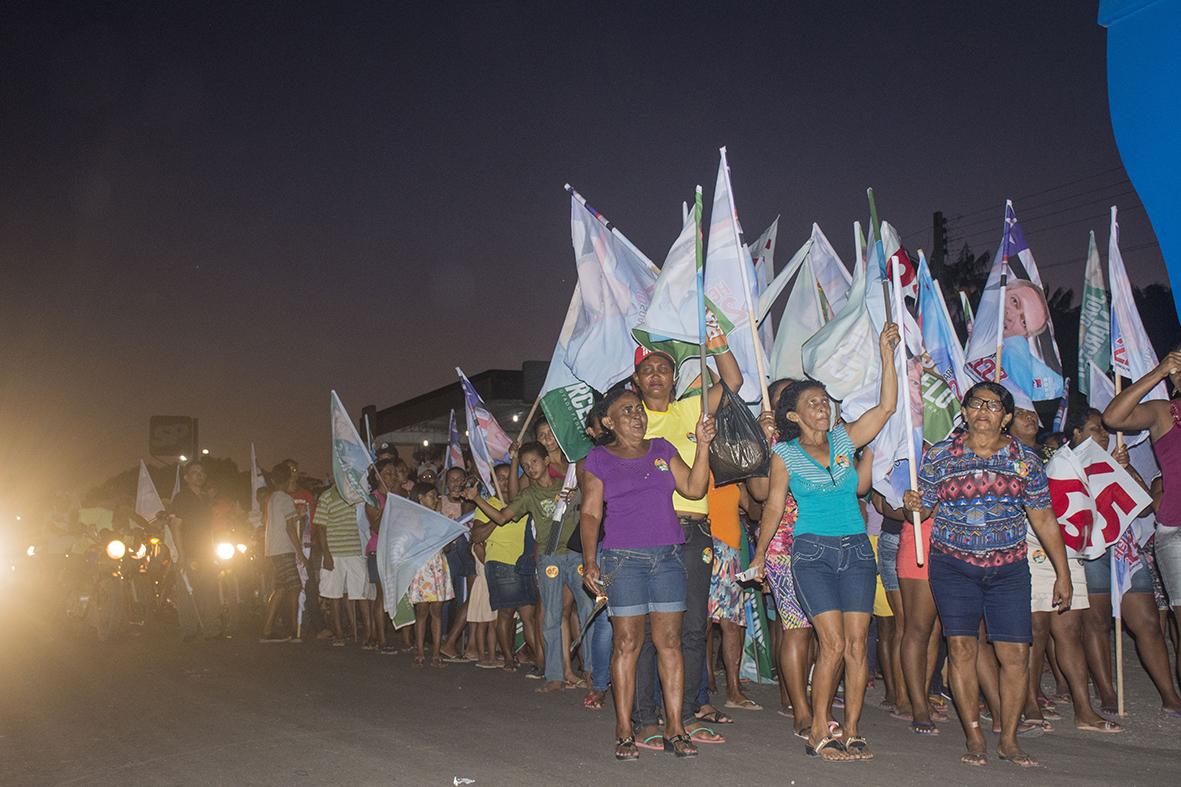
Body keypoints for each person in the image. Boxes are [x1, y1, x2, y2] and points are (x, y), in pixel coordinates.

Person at [750, 323, 899, 763]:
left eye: (825, 402)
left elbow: (887, 407)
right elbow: (773, 510)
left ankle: (851, 729)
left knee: (857, 645)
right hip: (810, 552)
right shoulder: (785, 455)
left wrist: (885, 354)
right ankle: (818, 728)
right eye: (813, 403)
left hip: (855, 550)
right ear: (793, 415)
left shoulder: (843, 440)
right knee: (831, 643)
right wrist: (759, 555)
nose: (823, 408)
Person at [904, 381, 1071, 768]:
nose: (983, 410)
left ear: (1007, 418)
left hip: (1008, 568)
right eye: (976, 404)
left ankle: (1008, 738)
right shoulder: (940, 457)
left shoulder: (1025, 460)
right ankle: (974, 735)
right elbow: (923, 509)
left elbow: (1044, 519)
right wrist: (910, 503)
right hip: (953, 565)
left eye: (993, 406)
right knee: (961, 648)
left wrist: (1062, 573)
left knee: (1015, 654)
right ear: (964, 412)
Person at [580, 386, 715, 760]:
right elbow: (590, 513)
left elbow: (694, 487)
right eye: (626, 411)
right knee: (628, 644)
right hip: (623, 560)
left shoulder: (662, 450)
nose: (637, 416)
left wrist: (702, 445)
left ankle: (675, 726)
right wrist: (590, 561)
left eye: (638, 409)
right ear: (608, 421)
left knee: (670, 644)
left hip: (668, 557)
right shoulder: (598, 459)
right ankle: (625, 727)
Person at [630, 343, 742, 745]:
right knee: (647, 630)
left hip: (694, 531)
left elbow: (732, 382)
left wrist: (718, 345)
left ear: (675, 378)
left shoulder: (690, 409)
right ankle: (646, 717)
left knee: (694, 627)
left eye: (664, 368)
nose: (657, 375)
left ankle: (691, 711)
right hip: (648, 534)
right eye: (648, 370)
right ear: (636, 380)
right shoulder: (631, 419)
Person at [1009, 407, 1121, 734]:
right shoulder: (1007, 453)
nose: (1029, 418)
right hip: (1030, 548)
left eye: (1032, 413)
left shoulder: (1059, 454)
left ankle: (1084, 710)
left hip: (1066, 550)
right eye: (1018, 413)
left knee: (1070, 632)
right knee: (1035, 631)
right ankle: (1029, 702)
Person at [1070, 407, 1181, 717]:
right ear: (1077, 434)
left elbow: (1146, 508)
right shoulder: (1066, 464)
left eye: (1105, 430)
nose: (1103, 435)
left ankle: (1169, 694)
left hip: (1124, 551)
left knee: (1147, 623)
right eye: (1095, 429)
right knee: (1098, 622)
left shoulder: (1115, 464)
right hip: (1090, 552)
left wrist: (1127, 471)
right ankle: (1106, 691)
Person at [467, 441, 592, 692]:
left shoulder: (569, 486)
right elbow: (502, 517)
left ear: (547, 461)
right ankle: (554, 676)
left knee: (590, 612)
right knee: (551, 617)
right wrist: (476, 499)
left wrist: (578, 495)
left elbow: (592, 506)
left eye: (534, 462)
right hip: (549, 560)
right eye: (526, 466)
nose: (531, 468)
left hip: (576, 555)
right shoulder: (528, 495)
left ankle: (594, 673)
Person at [1104, 347, 1181, 714]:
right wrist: (1158, 372)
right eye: (1178, 369)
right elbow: (1114, 416)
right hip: (1176, 530)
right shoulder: (1164, 413)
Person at [474, 463, 541, 671]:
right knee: (506, 613)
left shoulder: (522, 502)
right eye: (499, 478)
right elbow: (476, 537)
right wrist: (498, 517)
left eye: (507, 476)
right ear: (492, 483)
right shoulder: (486, 504)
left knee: (529, 616)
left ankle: (542, 661)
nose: (504, 481)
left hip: (524, 564)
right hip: (501, 563)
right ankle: (508, 658)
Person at [169, 460, 222, 640]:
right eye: (194, 472)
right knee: (187, 591)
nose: (199, 475)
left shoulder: (206, 499)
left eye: (202, 472)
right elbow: (176, 526)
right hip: (190, 551)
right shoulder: (181, 498)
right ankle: (189, 630)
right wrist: (182, 555)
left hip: (206, 551)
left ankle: (212, 629)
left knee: (209, 590)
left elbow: (210, 528)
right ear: (186, 477)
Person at [314, 483, 372, 646]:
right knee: (335, 594)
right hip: (335, 551)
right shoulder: (327, 496)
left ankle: (368, 634)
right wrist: (326, 554)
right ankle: (339, 633)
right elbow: (320, 528)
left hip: (355, 550)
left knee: (361, 592)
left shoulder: (357, 494)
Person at [406, 482, 454, 667]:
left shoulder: (439, 518)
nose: (435, 499)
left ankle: (435, 653)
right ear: (420, 497)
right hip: (421, 566)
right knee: (421, 611)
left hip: (437, 566)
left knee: (437, 611)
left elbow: (446, 547)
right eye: (431, 496)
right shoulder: (413, 518)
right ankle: (419, 650)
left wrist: (447, 530)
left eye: (436, 496)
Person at [261, 462, 306, 642]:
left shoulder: (272, 498)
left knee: (280, 589)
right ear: (288, 479)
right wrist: (300, 552)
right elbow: (290, 527)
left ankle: (267, 630)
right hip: (284, 549)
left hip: (273, 549)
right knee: (295, 587)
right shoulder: (286, 499)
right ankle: (293, 630)